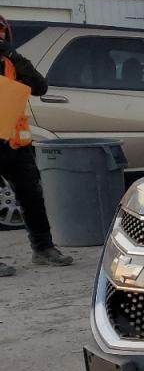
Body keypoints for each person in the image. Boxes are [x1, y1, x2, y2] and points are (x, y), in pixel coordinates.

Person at [0, 15, 73, 276]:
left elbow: (40, 86)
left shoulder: (12, 62)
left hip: (14, 143)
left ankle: (43, 249)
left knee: (32, 196)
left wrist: (13, 56)